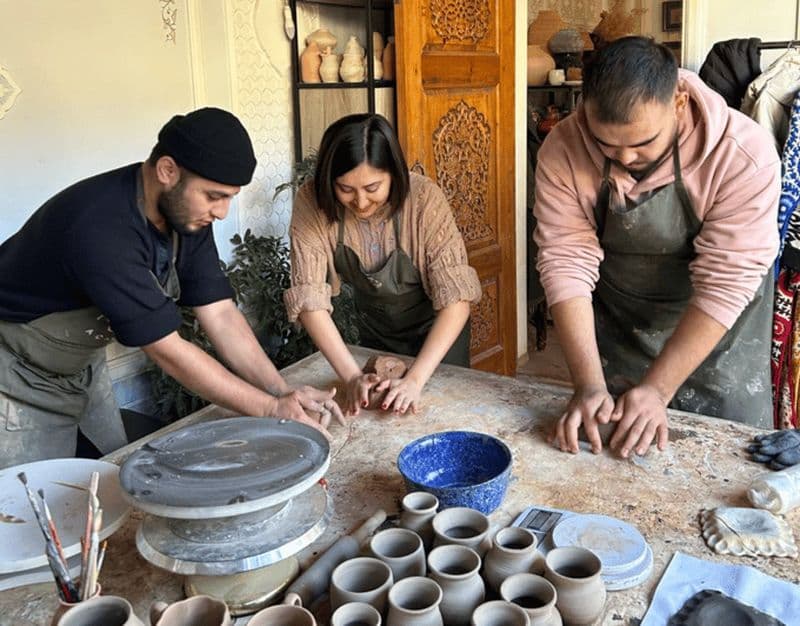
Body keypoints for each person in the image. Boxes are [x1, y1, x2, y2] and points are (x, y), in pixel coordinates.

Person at [0, 107, 343, 469]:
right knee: (28, 504)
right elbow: (166, 349)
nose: (223, 212)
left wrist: (281, 392)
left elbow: (221, 314)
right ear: (167, 171)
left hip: (81, 366)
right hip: (16, 374)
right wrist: (271, 409)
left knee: (114, 472)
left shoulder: (184, 216)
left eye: (229, 197)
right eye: (214, 196)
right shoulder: (99, 228)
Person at [533, 37, 780, 459]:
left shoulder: (743, 153)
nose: (626, 157)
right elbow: (564, 260)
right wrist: (589, 384)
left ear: (679, 101)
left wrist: (659, 388)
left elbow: (724, 283)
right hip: (623, 330)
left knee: (724, 470)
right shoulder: (564, 147)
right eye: (607, 145)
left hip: (719, 339)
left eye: (643, 142)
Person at [284, 113, 481, 416]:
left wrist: (415, 380)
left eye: (372, 188)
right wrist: (352, 376)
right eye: (346, 189)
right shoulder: (312, 201)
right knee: (379, 417)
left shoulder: (424, 199)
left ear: (395, 174)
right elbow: (309, 300)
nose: (360, 202)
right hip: (376, 332)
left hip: (438, 333)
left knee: (438, 418)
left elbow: (457, 302)